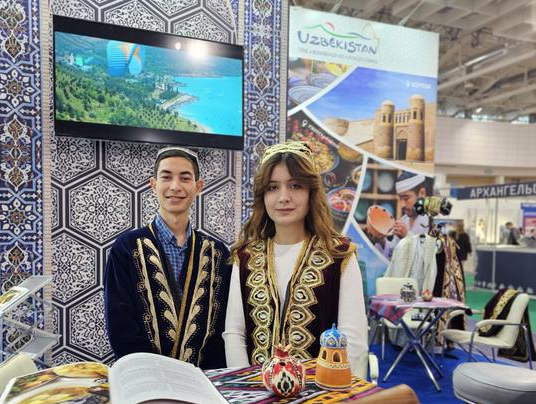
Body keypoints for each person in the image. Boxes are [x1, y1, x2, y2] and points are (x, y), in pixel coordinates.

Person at [223, 141, 367, 372]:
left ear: (311, 193)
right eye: (273, 187)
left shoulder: (339, 255)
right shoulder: (246, 257)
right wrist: (245, 387)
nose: (283, 197)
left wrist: (334, 392)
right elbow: (234, 333)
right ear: (263, 196)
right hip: (254, 389)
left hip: (321, 390)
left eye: (295, 186)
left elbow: (353, 341)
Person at [104, 146, 231, 369]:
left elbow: (223, 327)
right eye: (166, 177)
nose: (175, 186)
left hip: (204, 380)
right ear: (153, 184)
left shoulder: (218, 253)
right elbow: (120, 326)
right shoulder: (125, 248)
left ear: (198, 187)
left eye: (185, 178)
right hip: (146, 377)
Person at [392, 171, 430, 239]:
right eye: (400, 199)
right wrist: (382, 241)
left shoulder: (432, 222)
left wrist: (407, 236)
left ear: (422, 193)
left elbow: (430, 246)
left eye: (406, 198)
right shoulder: (404, 220)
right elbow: (394, 246)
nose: (402, 205)